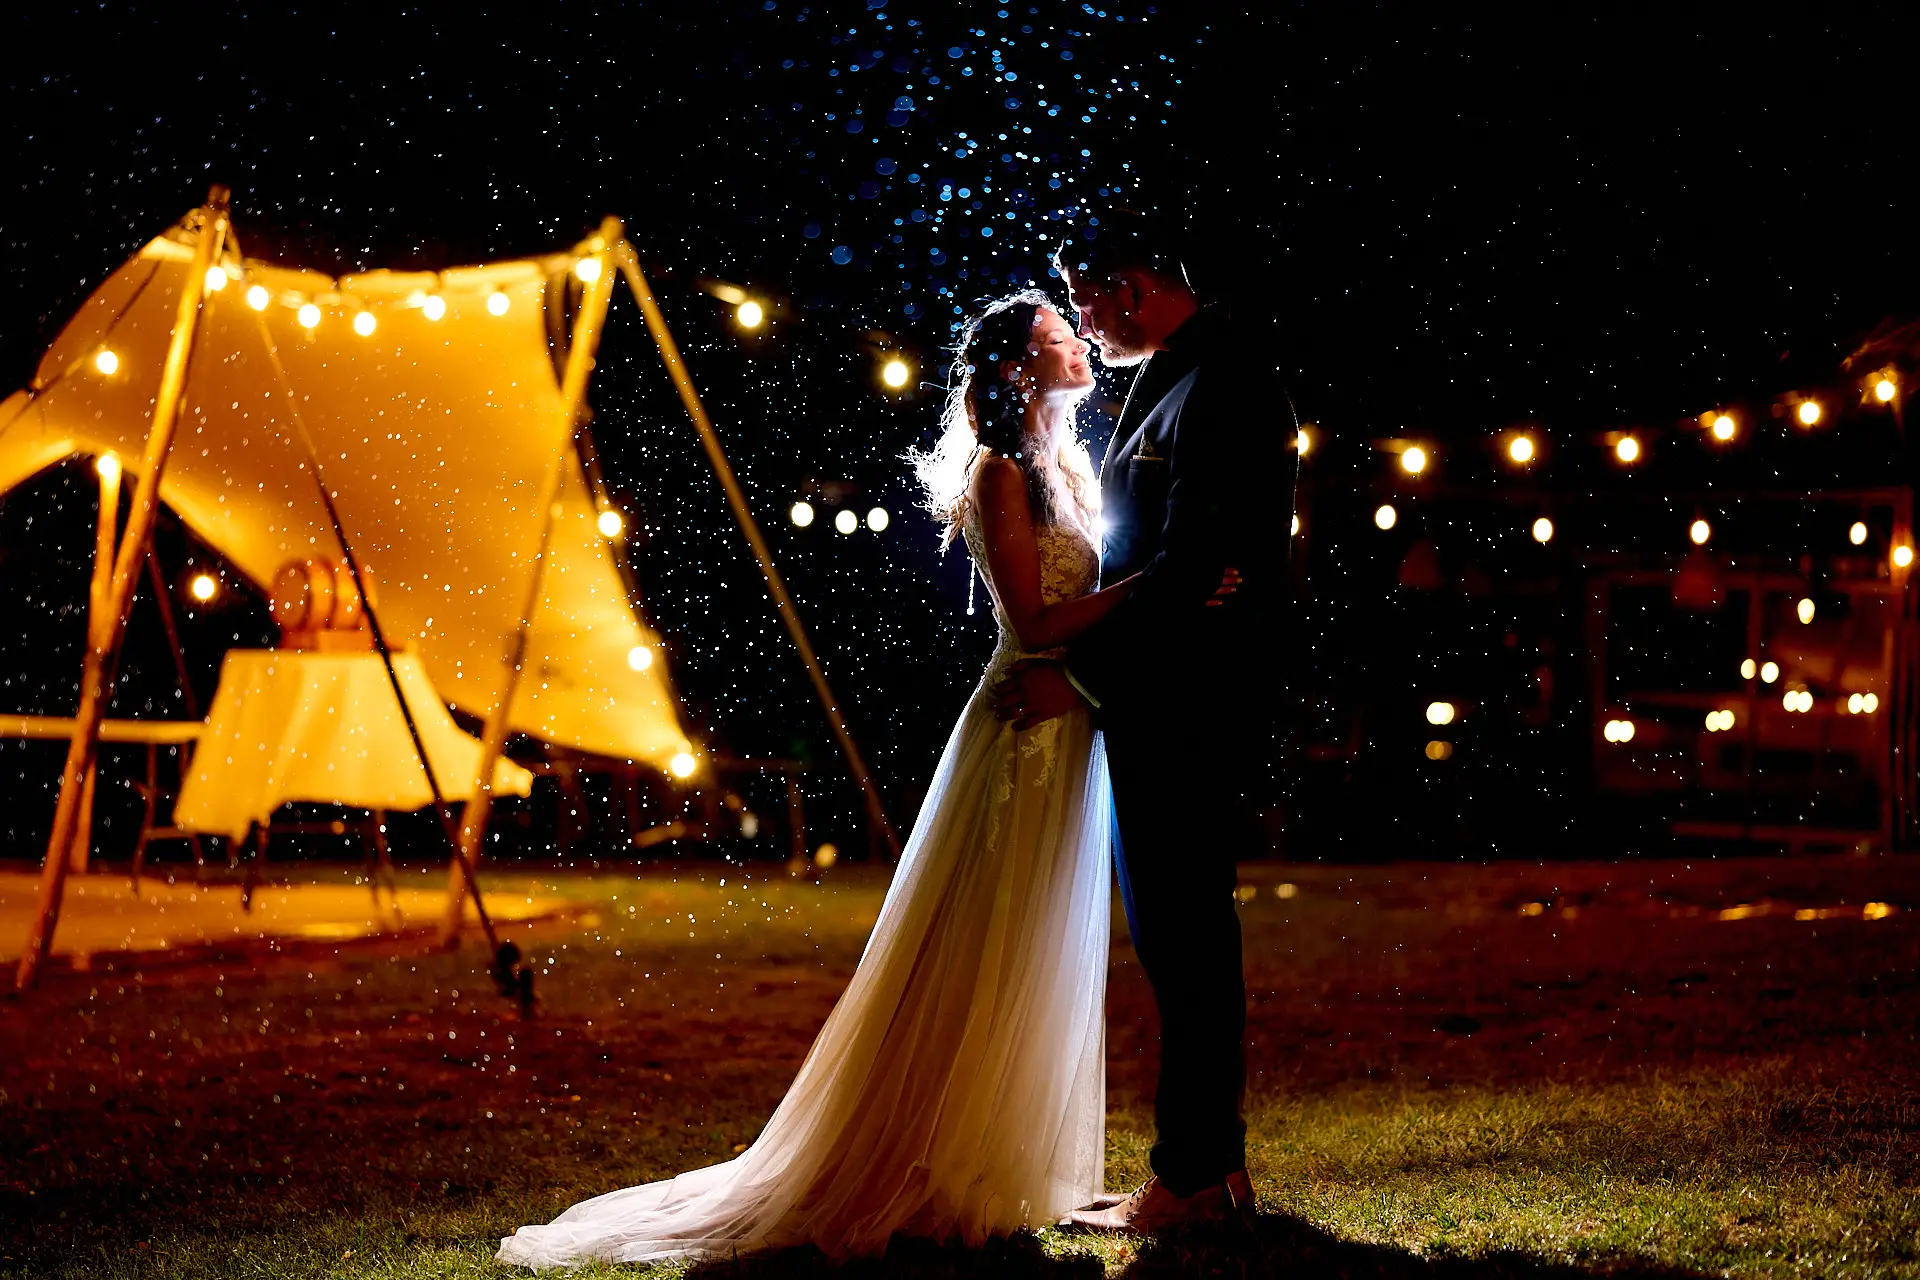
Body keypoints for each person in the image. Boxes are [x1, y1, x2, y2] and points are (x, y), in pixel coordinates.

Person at [495, 291, 1235, 1269]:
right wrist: (1164, 584)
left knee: (1042, 939)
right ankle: (936, 1152)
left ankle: (1014, 1157)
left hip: (1067, 729)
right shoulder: (998, 475)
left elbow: (1084, 606)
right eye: (1060, 335)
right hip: (1018, 731)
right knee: (988, 939)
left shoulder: (1068, 468)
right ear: (1019, 368)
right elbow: (1038, 624)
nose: (1080, 341)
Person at [994, 207, 1288, 1234]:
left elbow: (1194, 566)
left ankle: (1194, 1177)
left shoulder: (1227, 381)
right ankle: (1209, 1169)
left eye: (1087, 294)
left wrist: (1078, 677)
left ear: (1131, 284)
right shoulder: (1173, 377)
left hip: (1186, 702)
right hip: (1162, 694)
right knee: (1182, 943)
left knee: (1187, 941)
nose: (1082, 316)